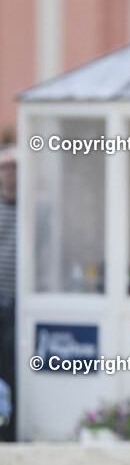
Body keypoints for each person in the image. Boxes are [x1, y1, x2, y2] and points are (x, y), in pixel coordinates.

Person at [0, 145, 17, 441]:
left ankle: (11, 429)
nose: (10, 173)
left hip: (19, 302)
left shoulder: (37, 209)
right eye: (6, 166)